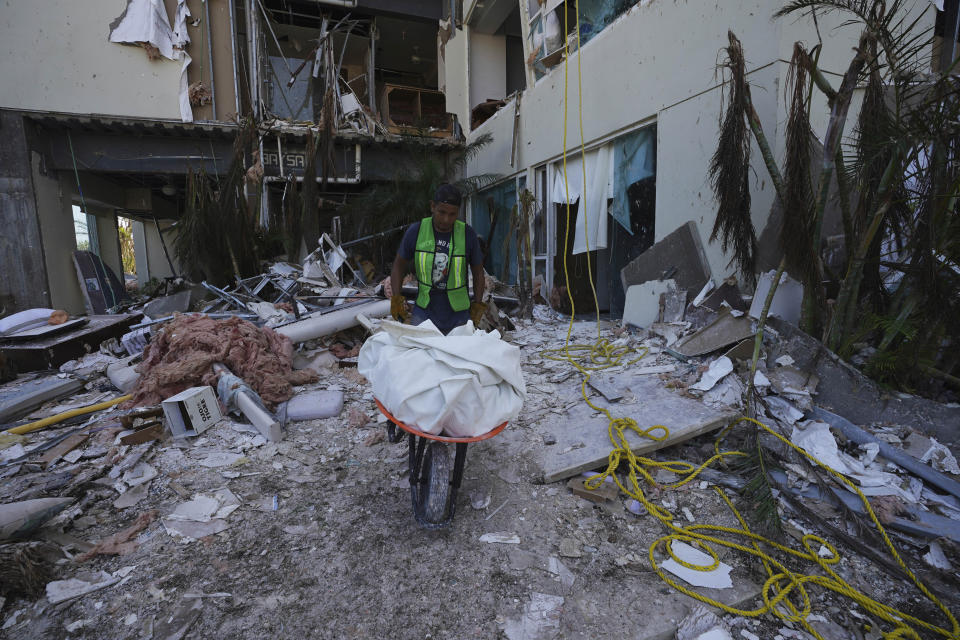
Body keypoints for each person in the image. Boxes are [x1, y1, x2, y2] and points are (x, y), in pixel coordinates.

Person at [390, 184, 487, 334]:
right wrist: (396, 298)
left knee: (459, 355)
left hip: (459, 313)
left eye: (452, 214)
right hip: (424, 311)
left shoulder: (467, 234)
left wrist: (478, 304)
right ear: (432, 206)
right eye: (441, 212)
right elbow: (398, 265)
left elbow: (478, 272)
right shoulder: (416, 231)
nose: (446, 220)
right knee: (419, 353)